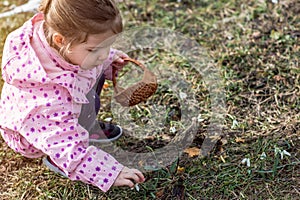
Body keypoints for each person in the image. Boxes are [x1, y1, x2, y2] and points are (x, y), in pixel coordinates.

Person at [0, 0, 145, 192]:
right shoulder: (51, 99)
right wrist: (111, 172)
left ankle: (85, 123)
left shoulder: (59, 37)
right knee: (67, 136)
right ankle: (57, 157)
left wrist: (109, 58)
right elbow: (68, 149)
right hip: (40, 138)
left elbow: (91, 53)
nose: (103, 55)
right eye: (95, 49)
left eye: (108, 46)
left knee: (92, 71)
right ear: (61, 40)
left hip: (63, 102)